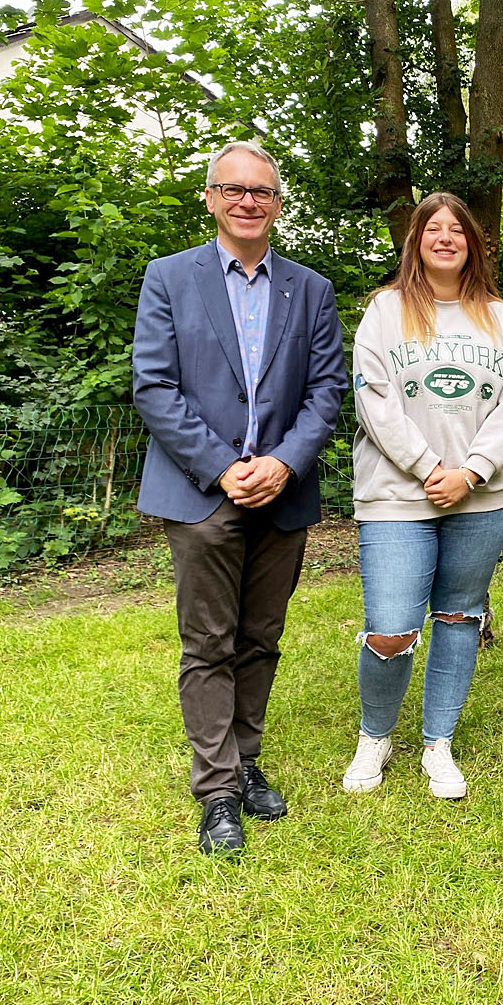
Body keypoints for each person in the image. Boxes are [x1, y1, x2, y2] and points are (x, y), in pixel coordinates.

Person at [132, 141, 346, 855]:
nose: (248, 201)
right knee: (208, 643)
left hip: (283, 493)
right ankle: (218, 790)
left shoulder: (310, 289)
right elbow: (154, 387)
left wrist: (284, 463)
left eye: (262, 191)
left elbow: (325, 392)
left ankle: (246, 759)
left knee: (260, 637)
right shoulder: (170, 278)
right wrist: (225, 468)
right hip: (202, 492)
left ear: (278, 204)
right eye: (234, 189)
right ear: (211, 198)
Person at [342, 192, 503, 801]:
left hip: (481, 496)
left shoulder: (497, 317)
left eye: (457, 230)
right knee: (392, 626)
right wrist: (429, 468)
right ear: (416, 240)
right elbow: (375, 404)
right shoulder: (385, 312)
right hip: (399, 494)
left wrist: (469, 472)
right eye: (433, 228)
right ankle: (376, 735)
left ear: (472, 243)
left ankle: (437, 742)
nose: (446, 237)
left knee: (458, 615)